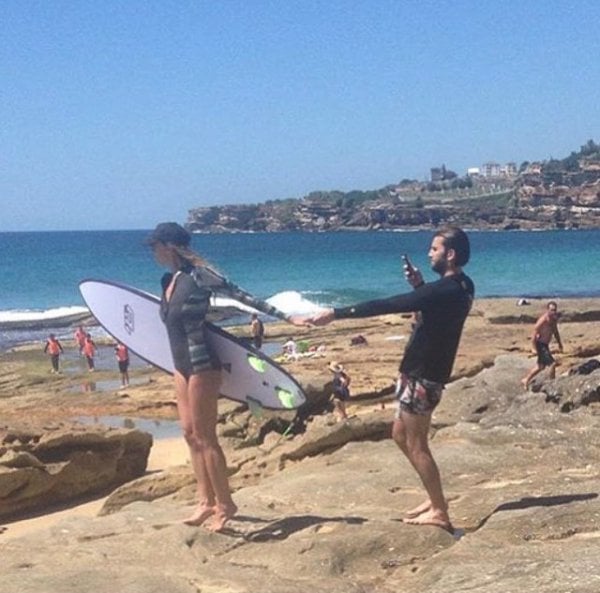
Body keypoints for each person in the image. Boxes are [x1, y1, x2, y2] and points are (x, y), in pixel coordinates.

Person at [305, 227, 474, 532]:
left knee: (417, 444)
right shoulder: (462, 286)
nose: (429, 253)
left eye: (434, 249)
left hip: (424, 376)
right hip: (419, 372)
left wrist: (336, 313)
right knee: (399, 434)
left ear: (450, 254)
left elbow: (388, 304)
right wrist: (419, 285)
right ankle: (433, 497)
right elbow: (434, 311)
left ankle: (439, 510)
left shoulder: (444, 290)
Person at [146, 222, 302, 531]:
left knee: (206, 437)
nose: (152, 252)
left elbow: (243, 297)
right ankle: (205, 502)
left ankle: (226, 503)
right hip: (180, 365)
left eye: (155, 246)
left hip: (203, 363)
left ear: (169, 246)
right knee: (189, 434)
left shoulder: (200, 276)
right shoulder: (168, 280)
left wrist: (288, 317)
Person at [521, 301, 563, 390]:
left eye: (554, 310)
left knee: (540, 366)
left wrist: (559, 343)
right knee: (552, 364)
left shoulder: (553, 320)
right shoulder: (543, 320)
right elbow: (534, 333)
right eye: (551, 310)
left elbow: (555, 332)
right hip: (540, 344)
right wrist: (534, 348)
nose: (553, 312)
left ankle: (526, 379)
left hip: (545, 345)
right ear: (547, 310)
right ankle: (552, 384)